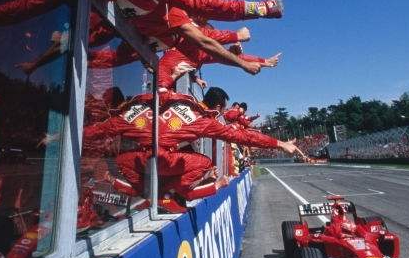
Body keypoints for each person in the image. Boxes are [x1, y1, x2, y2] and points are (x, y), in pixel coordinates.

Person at [84, 87, 306, 210]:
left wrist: (56, 137)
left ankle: (150, 190)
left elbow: (95, 131)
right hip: (165, 166)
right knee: (206, 164)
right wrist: (279, 143)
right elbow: (240, 135)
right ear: (219, 107)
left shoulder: (129, 114)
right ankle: (172, 190)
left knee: (123, 159)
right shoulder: (201, 118)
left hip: (144, 163)